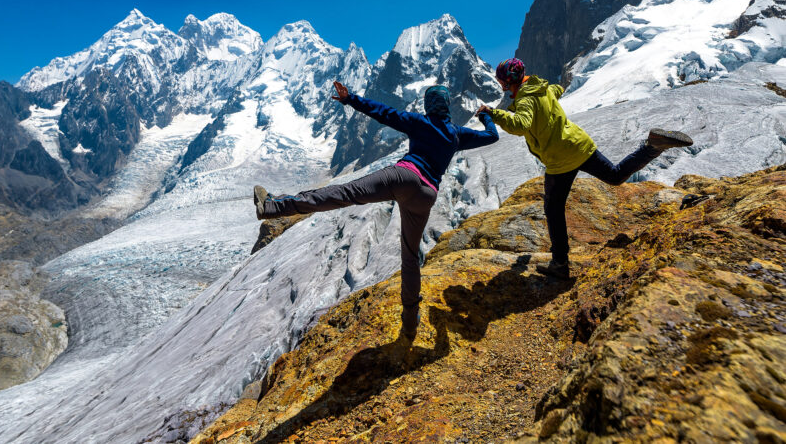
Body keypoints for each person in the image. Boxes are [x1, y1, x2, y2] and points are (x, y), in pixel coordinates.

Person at [254, 80, 500, 340]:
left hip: (403, 176)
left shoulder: (420, 122)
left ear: (429, 105)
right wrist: (485, 116)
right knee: (410, 257)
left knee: (345, 194)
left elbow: (383, 112)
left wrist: (350, 99)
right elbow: (492, 136)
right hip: (426, 195)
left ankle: (272, 207)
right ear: (447, 105)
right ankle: (409, 322)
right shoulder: (458, 134)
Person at [477, 58, 693, 280]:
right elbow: (557, 90)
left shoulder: (525, 98)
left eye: (501, 81)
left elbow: (520, 124)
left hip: (560, 159)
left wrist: (493, 114)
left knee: (553, 209)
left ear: (507, 81)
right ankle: (652, 146)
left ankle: (560, 263)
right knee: (615, 175)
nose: (501, 85)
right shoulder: (541, 87)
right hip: (579, 144)